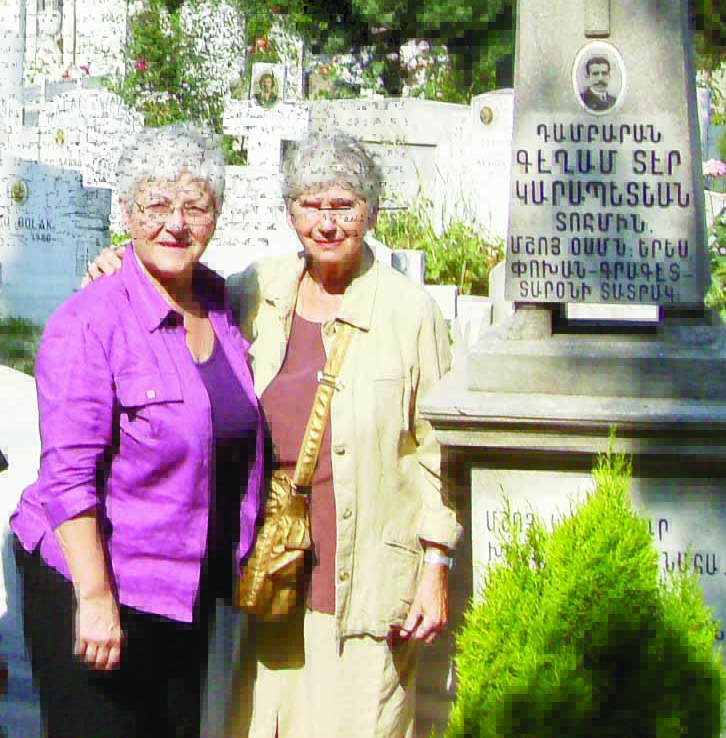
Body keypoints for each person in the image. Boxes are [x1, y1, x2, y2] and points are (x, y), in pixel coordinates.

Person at [87, 131, 461, 738]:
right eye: (312, 204)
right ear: (290, 212)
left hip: (364, 580)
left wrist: (436, 565)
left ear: (370, 211)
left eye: (345, 205)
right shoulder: (256, 291)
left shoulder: (410, 313)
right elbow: (169, 285)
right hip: (266, 574)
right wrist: (112, 265)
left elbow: (436, 454)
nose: (328, 222)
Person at [11, 124, 265, 738]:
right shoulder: (90, 321)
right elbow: (68, 476)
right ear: (126, 212)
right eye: (155, 205)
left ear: (216, 215)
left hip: (185, 582)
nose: (176, 223)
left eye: (195, 206)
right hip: (100, 578)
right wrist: (95, 599)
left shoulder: (219, 301)